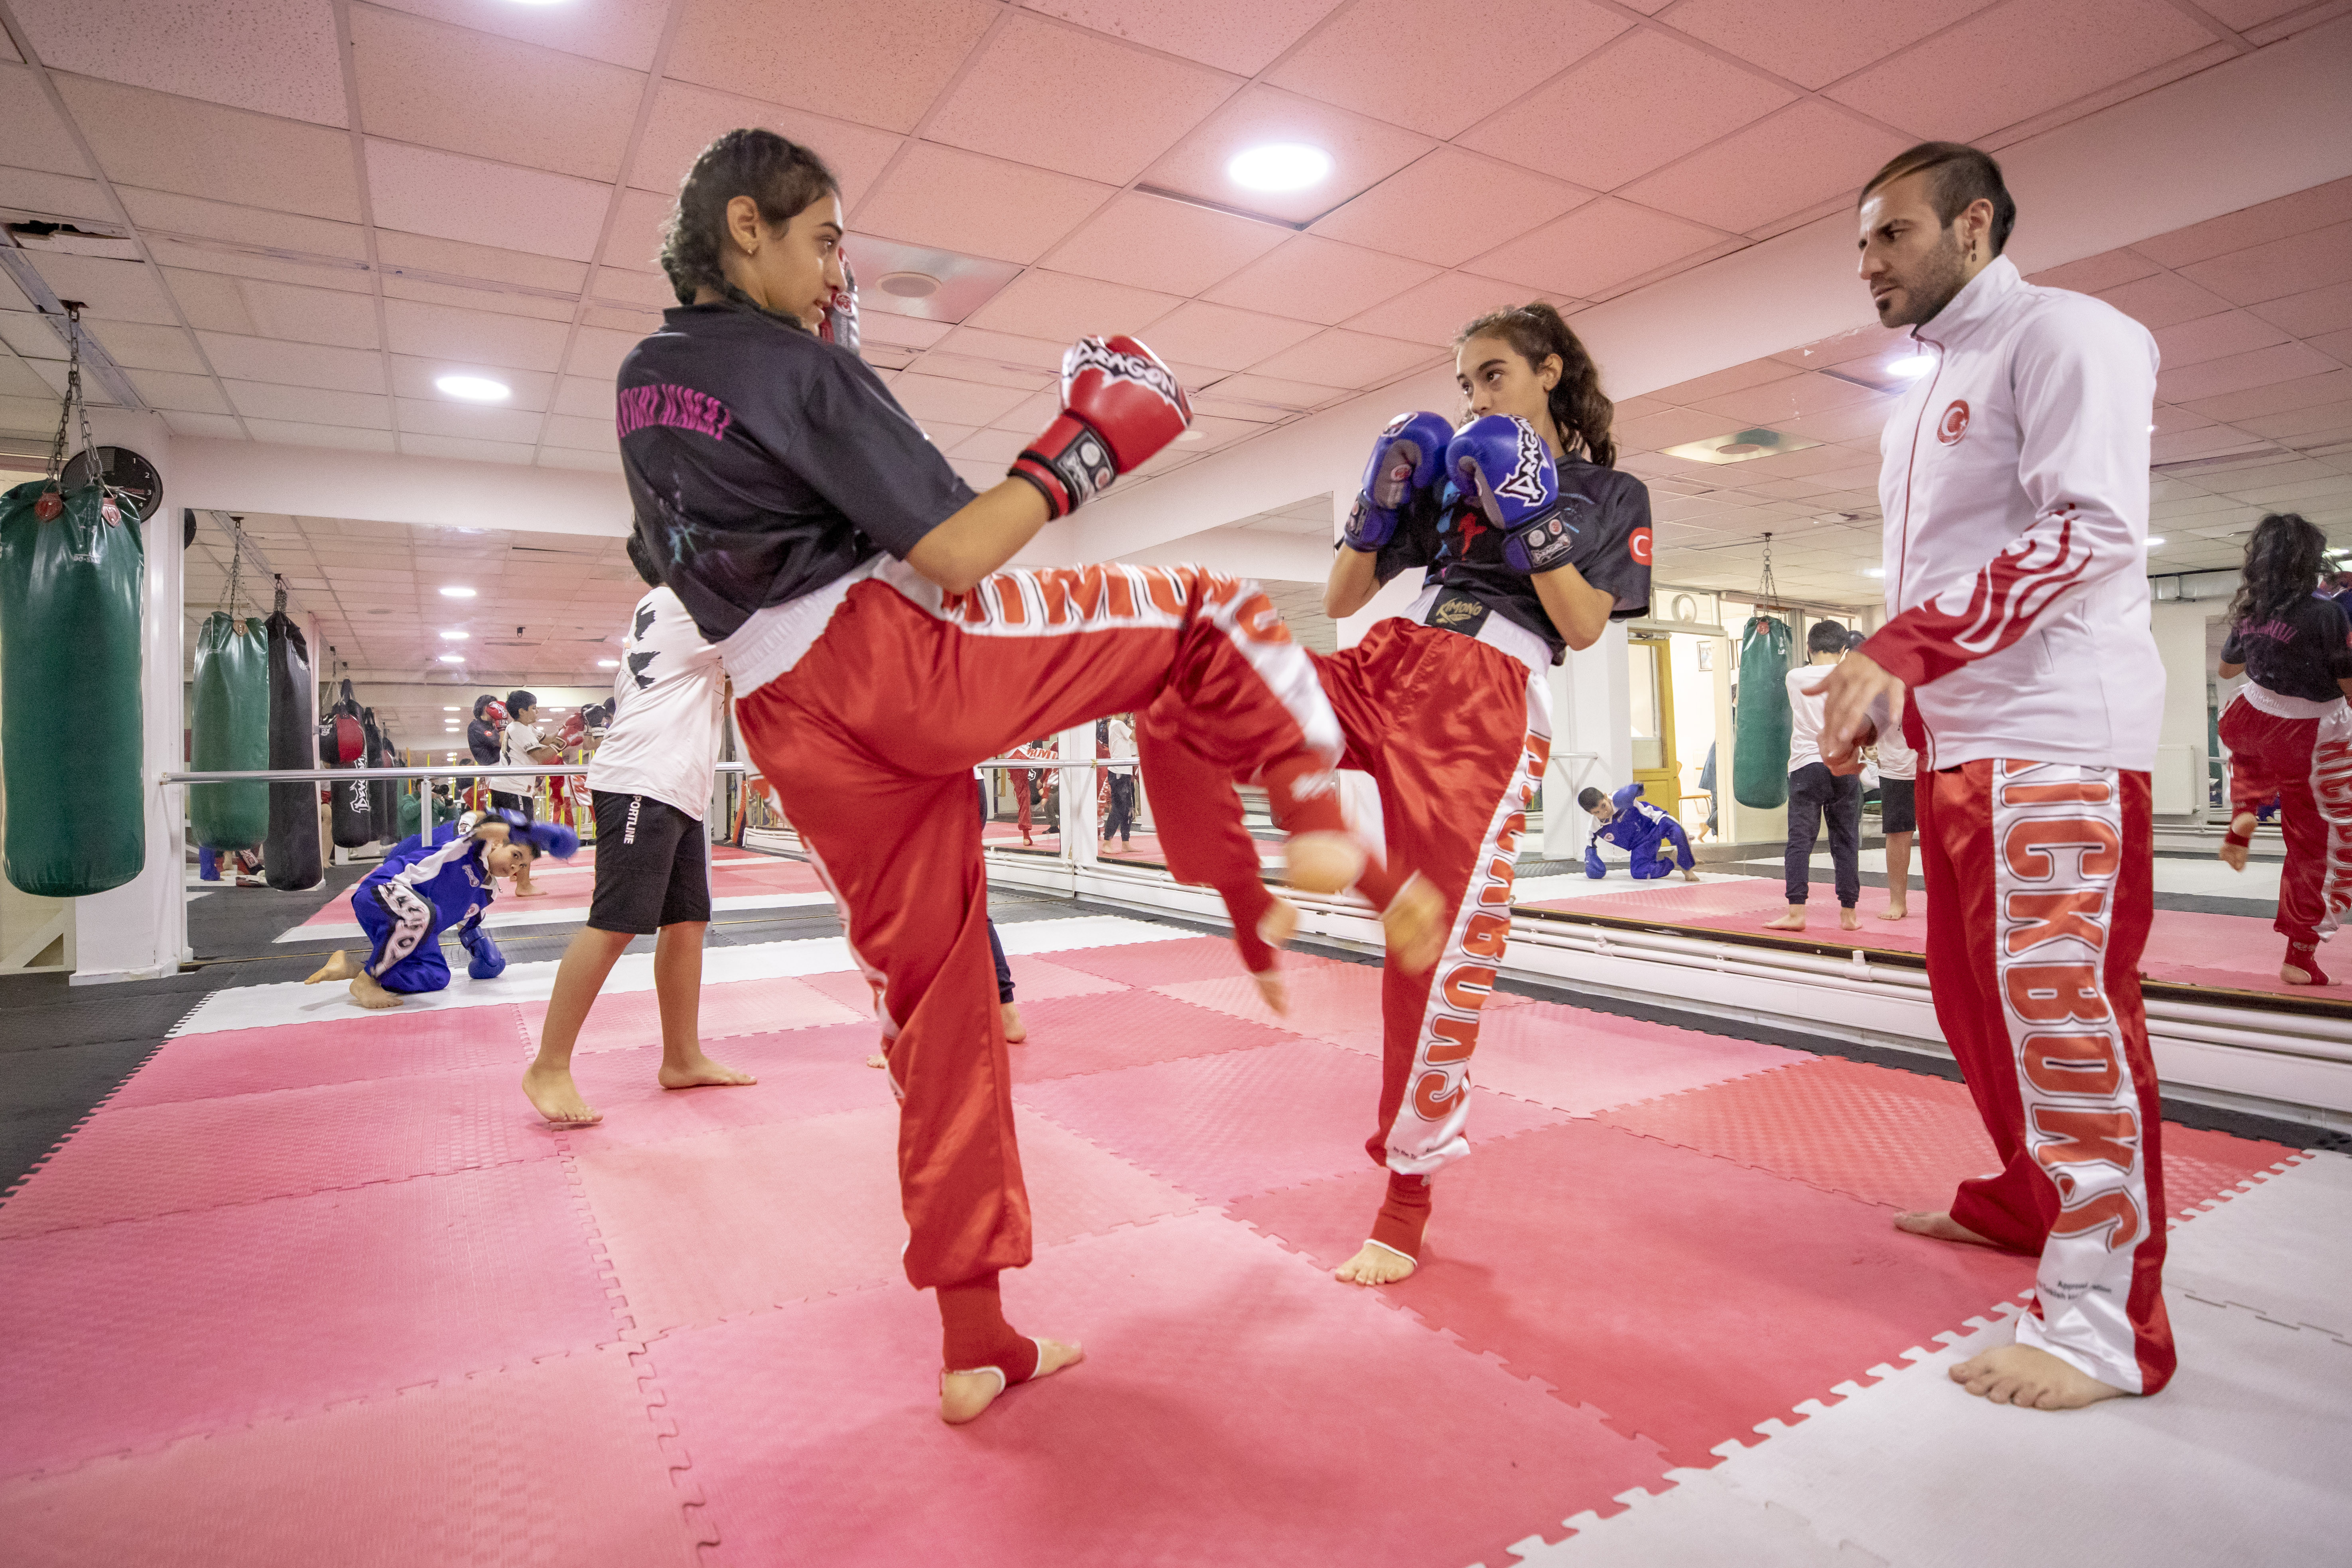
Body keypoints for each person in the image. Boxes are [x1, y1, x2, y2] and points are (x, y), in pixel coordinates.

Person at [621, 128, 1424, 1426]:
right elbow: (954, 555)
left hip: (789, 734)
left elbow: (664, 558)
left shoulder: (644, 382)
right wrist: (1090, 441)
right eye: (821, 235)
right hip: (879, 664)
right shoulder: (786, 365)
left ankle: (974, 1338)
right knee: (1201, 604)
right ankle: (1311, 805)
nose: (834, 267)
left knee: (936, 1021)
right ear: (742, 227)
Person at [1138, 302, 1651, 1290]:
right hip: (1385, 657)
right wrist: (1377, 506)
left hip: (1487, 702)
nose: (1472, 399)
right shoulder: (1454, 476)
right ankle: (1300, 862)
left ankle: (1405, 1199)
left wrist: (1532, 511)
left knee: (1436, 957)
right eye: (1464, 383)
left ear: (1549, 371)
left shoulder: (1607, 491)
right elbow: (1337, 598)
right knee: (1190, 671)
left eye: (1492, 375)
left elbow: (1584, 626)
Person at [1819, 141, 2172, 1410]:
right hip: (1963, 740)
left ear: (1974, 223)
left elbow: (2092, 530)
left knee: (2067, 1025)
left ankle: (2100, 1328)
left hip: (2060, 733)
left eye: (1893, 235)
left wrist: (1902, 648)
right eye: (1860, 243)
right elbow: (1938, 571)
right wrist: (1884, 690)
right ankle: (2032, 1204)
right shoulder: (1923, 394)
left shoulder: (2068, 332)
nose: (1869, 264)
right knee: (1982, 1014)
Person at [520, 532, 760, 1127]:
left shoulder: (667, 607)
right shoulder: (681, 605)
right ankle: (548, 1065)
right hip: (640, 783)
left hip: (676, 787)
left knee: (686, 923)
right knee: (614, 924)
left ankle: (681, 1056)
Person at [2216, 511, 2352, 984]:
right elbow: (2346, 683)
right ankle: (2299, 955)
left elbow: (2228, 670)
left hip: (2247, 715)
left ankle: (2246, 808)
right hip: (2306, 733)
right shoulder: (2326, 612)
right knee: (2318, 844)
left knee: (2251, 758)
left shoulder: (2251, 609)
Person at [303, 810, 575, 1009]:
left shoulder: (487, 893)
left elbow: (470, 930)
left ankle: (351, 967)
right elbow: (486, 826)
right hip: (382, 891)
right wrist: (534, 831)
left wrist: (488, 959)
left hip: (407, 926)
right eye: (515, 856)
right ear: (497, 844)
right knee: (423, 913)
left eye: (522, 867)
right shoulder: (471, 848)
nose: (514, 868)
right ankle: (365, 981)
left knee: (436, 976)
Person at [1765, 621, 1863, 932]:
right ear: (1844, 650)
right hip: (1845, 765)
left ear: (1808, 649)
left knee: (1800, 840)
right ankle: (1849, 916)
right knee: (1846, 840)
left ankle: (1796, 913)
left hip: (1808, 765)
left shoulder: (1794, 677)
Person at [1867, 628, 1920, 922]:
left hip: (1933, 768)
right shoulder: (1880, 689)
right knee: (1898, 834)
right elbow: (1869, 729)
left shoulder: (1930, 680)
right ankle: (1897, 901)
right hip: (1897, 770)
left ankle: (1947, 899)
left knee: (1944, 838)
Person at [497, 691, 559, 898]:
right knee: (524, 838)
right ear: (522, 711)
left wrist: (564, 730)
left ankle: (517, 875)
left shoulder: (525, 728)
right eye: (533, 708)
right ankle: (523, 886)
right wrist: (565, 743)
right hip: (514, 789)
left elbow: (546, 739)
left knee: (514, 836)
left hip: (508, 788)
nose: (537, 711)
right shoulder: (519, 729)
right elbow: (541, 756)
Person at [1578, 782, 1697, 881]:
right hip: (1642, 843)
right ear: (1591, 813)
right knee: (1639, 873)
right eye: (1597, 812)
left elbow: (1634, 790)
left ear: (1605, 797)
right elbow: (1590, 848)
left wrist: (1638, 789)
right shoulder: (1595, 827)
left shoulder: (1618, 799)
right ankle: (1670, 863)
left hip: (1655, 822)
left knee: (1678, 832)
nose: (1604, 813)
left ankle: (1687, 868)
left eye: (1604, 806)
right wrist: (1591, 861)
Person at [1102, 712, 1138, 850]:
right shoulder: (1117, 725)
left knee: (1129, 808)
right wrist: (1137, 723)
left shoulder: (1119, 726)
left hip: (1125, 771)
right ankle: (1107, 842)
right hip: (1119, 772)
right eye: (1125, 712)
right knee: (1118, 807)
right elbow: (1135, 737)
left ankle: (1126, 842)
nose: (1127, 715)